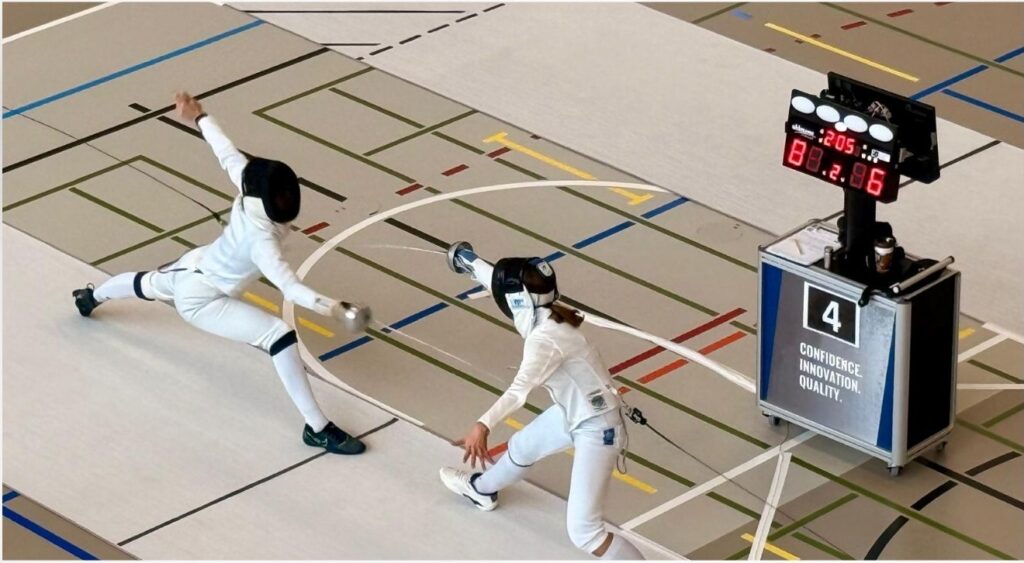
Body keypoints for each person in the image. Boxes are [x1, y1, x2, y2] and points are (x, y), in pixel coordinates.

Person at [71, 92, 368, 455]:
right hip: (203, 300)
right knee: (278, 335)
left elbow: (226, 152)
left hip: (197, 263)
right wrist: (334, 307)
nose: (286, 199)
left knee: (147, 283)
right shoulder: (261, 242)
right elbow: (290, 289)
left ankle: (90, 297)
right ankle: (317, 429)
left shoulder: (248, 185)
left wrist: (199, 116)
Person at [437, 242, 645, 560]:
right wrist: (467, 260)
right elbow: (499, 281)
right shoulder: (548, 311)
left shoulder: (545, 340)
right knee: (523, 446)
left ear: (519, 300)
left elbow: (519, 390)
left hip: (597, 429)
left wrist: (482, 425)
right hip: (574, 413)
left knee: (585, 532)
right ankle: (481, 490)